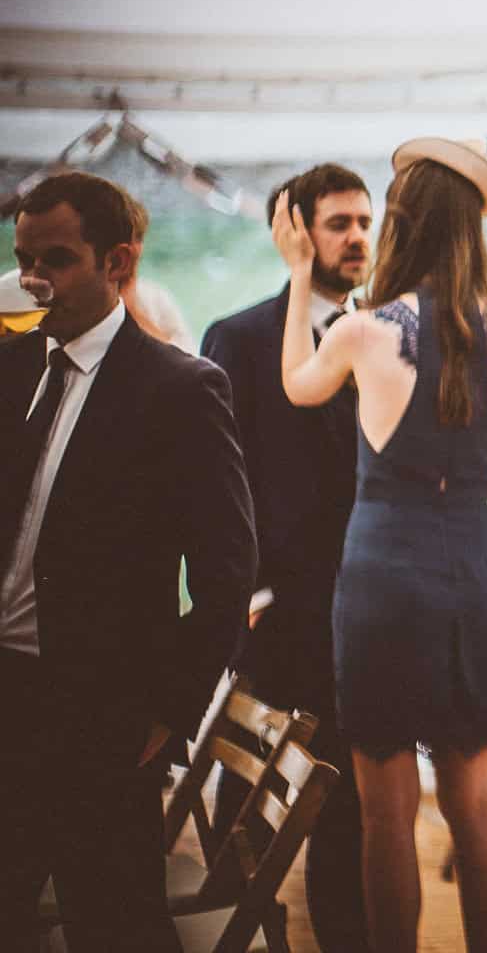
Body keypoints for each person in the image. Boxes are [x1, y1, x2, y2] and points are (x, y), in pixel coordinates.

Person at [273, 137, 487, 953]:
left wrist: (301, 279)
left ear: (403, 225)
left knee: (386, 813)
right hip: (474, 571)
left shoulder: (367, 330)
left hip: (383, 577)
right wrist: (465, 485)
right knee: (476, 805)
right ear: (473, 232)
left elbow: (298, 386)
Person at [0, 172, 256, 952]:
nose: (35, 279)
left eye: (58, 259)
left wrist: (170, 708)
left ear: (119, 262)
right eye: (22, 258)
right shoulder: (12, 363)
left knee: (113, 920)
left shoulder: (178, 388)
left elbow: (228, 568)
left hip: (98, 707)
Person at [201, 161, 376, 947]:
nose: (358, 238)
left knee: (353, 807)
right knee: (245, 811)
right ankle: (231, 928)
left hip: (366, 603)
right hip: (279, 610)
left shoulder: (386, 339)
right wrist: (249, 588)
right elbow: (218, 479)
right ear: (295, 232)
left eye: (366, 222)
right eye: (339, 223)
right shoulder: (238, 338)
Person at [115, 197, 196, 352]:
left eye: (139, 238)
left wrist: (130, 310)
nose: (135, 249)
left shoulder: (154, 297)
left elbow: (188, 362)